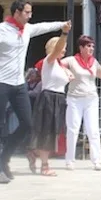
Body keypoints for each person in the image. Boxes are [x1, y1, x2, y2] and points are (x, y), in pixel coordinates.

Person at [0, 0, 71, 183]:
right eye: (27, 12)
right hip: (0, 82)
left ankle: (5, 156)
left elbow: (43, 27)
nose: (30, 16)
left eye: (30, 12)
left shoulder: (27, 29)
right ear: (17, 13)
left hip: (18, 83)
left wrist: (62, 25)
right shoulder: (0, 29)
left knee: (27, 124)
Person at [63, 35, 101, 171]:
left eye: (93, 46)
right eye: (88, 46)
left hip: (91, 98)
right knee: (73, 129)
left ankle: (97, 160)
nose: (91, 49)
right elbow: (57, 63)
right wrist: (66, 71)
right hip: (75, 98)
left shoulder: (94, 62)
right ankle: (70, 160)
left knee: (93, 129)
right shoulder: (71, 60)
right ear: (81, 47)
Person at [30, 34, 71, 176]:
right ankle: (44, 165)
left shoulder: (60, 66)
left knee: (54, 132)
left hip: (59, 98)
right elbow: (57, 50)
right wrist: (64, 34)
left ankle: (33, 151)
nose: (64, 50)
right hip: (49, 97)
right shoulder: (49, 60)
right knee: (46, 132)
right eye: (62, 47)